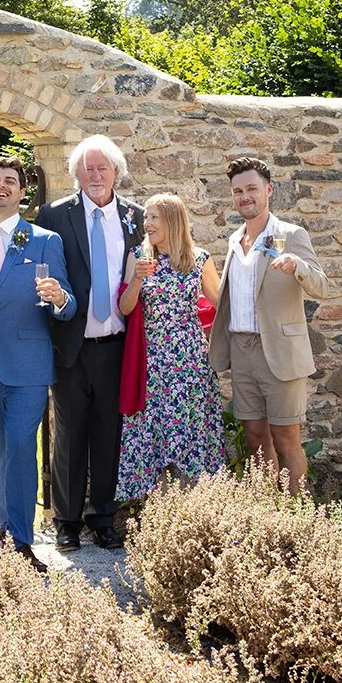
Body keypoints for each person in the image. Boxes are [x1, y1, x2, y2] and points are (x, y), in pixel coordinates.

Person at [34, 135, 143, 552]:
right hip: (70, 344)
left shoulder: (135, 217)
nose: (95, 176)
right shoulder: (54, 215)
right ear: (76, 174)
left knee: (108, 433)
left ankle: (102, 516)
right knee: (69, 435)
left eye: (103, 168)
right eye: (88, 169)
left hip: (116, 343)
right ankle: (66, 520)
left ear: (116, 172)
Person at [0, 154, 75, 572]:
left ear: (21, 192)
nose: (2, 186)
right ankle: (1, 532)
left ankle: (22, 541)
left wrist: (58, 297)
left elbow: (68, 306)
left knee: (19, 446)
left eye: (10, 180)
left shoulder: (44, 240)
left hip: (28, 366)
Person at [208, 157, 334, 494]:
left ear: (269, 190)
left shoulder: (291, 235)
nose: (245, 196)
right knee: (255, 437)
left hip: (279, 351)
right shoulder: (235, 240)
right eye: (238, 191)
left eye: (252, 189)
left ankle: (296, 516)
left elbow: (322, 286)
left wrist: (297, 266)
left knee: (286, 439)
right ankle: (268, 516)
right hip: (242, 349)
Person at [115, 193, 225, 500]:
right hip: (150, 361)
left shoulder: (198, 258)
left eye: (153, 218)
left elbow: (220, 303)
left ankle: (196, 513)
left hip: (190, 360)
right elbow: (124, 308)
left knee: (190, 435)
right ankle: (159, 518)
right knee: (154, 436)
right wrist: (136, 279)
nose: (146, 224)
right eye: (146, 217)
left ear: (173, 221)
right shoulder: (138, 256)